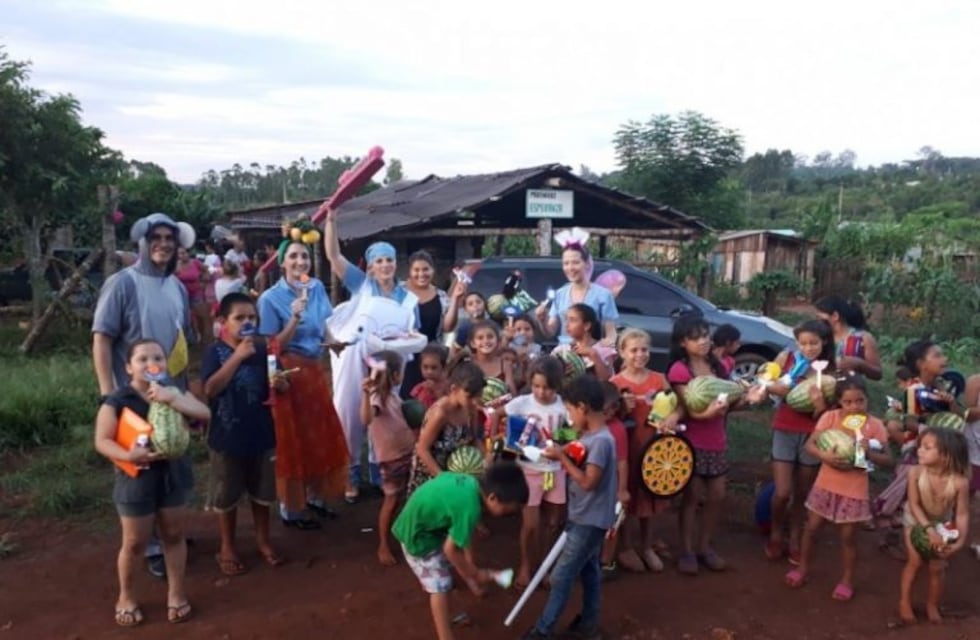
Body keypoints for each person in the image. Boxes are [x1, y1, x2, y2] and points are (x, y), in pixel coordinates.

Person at [92, 212, 196, 579]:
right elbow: (102, 339)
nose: (164, 244)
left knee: (172, 461)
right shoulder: (122, 283)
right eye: (157, 237)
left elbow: (182, 347)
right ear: (142, 241)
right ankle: (150, 545)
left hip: (170, 396)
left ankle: (170, 533)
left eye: (170, 238)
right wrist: (109, 396)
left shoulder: (178, 288)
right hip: (132, 400)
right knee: (140, 466)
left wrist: (186, 395)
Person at [93, 339, 210, 626]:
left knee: (173, 534)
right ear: (128, 367)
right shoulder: (118, 400)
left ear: (165, 364)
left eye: (156, 357)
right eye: (141, 359)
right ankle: (126, 596)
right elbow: (102, 441)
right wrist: (128, 455)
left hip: (173, 474)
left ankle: (176, 594)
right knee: (134, 542)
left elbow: (204, 414)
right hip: (136, 477)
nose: (149, 363)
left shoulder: (175, 392)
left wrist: (172, 399)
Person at [323, 207, 424, 503]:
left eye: (389, 260)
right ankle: (349, 475)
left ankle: (380, 472)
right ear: (370, 266)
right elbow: (333, 256)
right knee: (349, 411)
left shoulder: (408, 297)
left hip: (390, 359)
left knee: (384, 412)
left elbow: (412, 332)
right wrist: (331, 220)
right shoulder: (362, 285)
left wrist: (406, 342)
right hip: (355, 357)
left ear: (396, 263)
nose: (385, 265)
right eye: (379, 261)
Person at [258, 235, 349, 529]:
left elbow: (322, 324)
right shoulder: (270, 298)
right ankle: (291, 509)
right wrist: (294, 318)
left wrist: (333, 342)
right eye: (294, 256)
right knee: (292, 440)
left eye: (305, 256)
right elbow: (271, 346)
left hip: (313, 372)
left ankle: (315, 497)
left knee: (318, 435)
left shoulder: (317, 287)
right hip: (287, 376)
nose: (300, 262)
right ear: (282, 262)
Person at [522, 374, 619, 640]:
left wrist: (562, 458)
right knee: (589, 572)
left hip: (589, 520)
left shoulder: (600, 442)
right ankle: (588, 625)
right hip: (587, 516)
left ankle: (544, 629)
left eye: (569, 409)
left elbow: (588, 482)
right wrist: (560, 450)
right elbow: (578, 449)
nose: (569, 415)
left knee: (561, 576)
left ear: (583, 407)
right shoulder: (592, 435)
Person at [668, 315, 763, 575]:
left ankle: (704, 547)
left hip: (717, 441)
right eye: (695, 337)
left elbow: (730, 405)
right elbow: (687, 409)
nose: (703, 341)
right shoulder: (679, 370)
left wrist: (749, 399)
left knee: (718, 496)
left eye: (705, 336)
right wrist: (706, 415)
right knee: (691, 497)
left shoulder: (719, 367)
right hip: (692, 442)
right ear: (682, 343)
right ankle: (687, 550)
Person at [392, 462, 529, 640]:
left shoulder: (471, 483)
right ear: (493, 498)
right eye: (509, 511)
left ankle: (449, 616)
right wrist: (475, 574)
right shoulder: (470, 509)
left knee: (446, 572)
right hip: (418, 537)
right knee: (439, 585)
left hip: (424, 525)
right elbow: (451, 550)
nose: (510, 515)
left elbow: (460, 538)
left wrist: (471, 575)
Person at [784, 376, 892, 600]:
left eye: (860, 401)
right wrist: (825, 456)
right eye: (848, 402)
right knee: (811, 529)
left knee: (848, 538)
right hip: (825, 484)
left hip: (854, 488)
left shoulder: (875, 425)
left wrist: (869, 452)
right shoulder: (829, 417)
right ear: (840, 402)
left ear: (867, 399)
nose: (855, 407)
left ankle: (847, 580)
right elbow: (810, 444)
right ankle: (802, 568)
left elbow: (888, 460)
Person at [202, 293, 284, 576]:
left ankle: (263, 540)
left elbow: (278, 383)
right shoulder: (215, 352)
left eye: (252, 318)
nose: (247, 323)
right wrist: (237, 357)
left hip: (261, 433)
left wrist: (281, 384)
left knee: (262, 492)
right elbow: (210, 389)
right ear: (223, 322)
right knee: (227, 494)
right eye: (240, 318)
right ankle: (227, 545)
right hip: (226, 437)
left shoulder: (264, 349)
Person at [609, 328, 681, 573]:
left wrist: (673, 416)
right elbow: (607, 418)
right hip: (627, 450)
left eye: (644, 350)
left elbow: (676, 406)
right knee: (628, 496)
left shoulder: (659, 379)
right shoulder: (615, 384)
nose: (640, 355)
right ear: (622, 353)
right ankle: (627, 546)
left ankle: (647, 545)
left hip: (655, 449)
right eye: (633, 350)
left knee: (652, 496)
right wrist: (621, 408)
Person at [765, 320, 836, 565]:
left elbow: (829, 415)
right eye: (803, 343)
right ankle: (776, 532)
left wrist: (819, 406)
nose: (808, 348)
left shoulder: (831, 371)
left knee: (801, 492)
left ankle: (794, 538)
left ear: (824, 341)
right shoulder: (786, 358)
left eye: (814, 343)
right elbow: (767, 384)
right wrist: (781, 389)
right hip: (784, 428)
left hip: (814, 435)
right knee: (782, 492)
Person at [502, 355, 569, 590]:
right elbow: (497, 414)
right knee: (530, 524)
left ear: (557, 386)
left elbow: (575, 432)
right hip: (530, 471)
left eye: (548, 387)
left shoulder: (563, 407)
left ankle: (545, 566)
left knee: (552, 522)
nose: (541, 392)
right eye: (537, 386)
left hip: (556, 471)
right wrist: (501, 440)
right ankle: (526, 566)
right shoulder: (522, 403)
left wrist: (565, 447)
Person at [898, 428, 971, 625]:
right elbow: (913, 505)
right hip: (915, 520)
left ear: (946, 457)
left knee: (937, 567)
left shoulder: (959, 482)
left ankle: (932, 604)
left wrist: (960, 541)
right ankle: (904, 601)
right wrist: (929, 530)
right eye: (920, 446)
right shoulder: (915, 472)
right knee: (915, 561)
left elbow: (962, 513)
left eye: (927, 448)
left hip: (941, 523)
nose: (919, 450)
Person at [360, 350, 418, 566]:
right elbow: (366, 419)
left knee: (405, 497)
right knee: (392, 500)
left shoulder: (392, 395)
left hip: (406, 453)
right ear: (395, 374)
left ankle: (403, 535)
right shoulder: (377, 397)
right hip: (392, 458)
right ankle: (383, 544)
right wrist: (365, 395)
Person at [407, 362, 485, 495]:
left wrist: (483, 460)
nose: (474, 401)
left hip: (457, 471)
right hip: (432, 472)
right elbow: (422, 449)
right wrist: (442, 478)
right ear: (454, 389)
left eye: (478, 396)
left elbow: (474, 438)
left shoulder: (471, 408)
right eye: (470, 396)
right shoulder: (440, 413)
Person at [535, 227, 619, 345]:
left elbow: (611, 333)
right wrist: (542, 320)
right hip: (564, 354)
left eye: (575, 262)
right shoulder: (560, 294)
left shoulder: (603, 295)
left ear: (586, 264)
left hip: (590, 353)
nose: (570, 268)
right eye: (566, 263)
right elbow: (550, 332)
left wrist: (605, 346)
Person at [400, 250, 463, 399]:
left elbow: (448, 327)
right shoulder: (399, 292)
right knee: (404, 400)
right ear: (409, 271)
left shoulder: (440, 296)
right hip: (403, 356)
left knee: (429, 400)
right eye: (416, 270)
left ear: (432, 271)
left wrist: (454, 299)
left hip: (431, 360)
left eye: (425, 269)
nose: (421, 274)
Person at [598, 382, 630, 578]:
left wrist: (622, 490)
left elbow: (622, 461)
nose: (606, 413)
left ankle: (606, 561)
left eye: (610, 409)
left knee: (612, 526)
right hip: (593, 486)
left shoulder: (617, 429)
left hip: (611, 487)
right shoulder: (586, 425)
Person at [815, 295, 883, 381]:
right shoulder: (821, 338)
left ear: (835, 316)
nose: (817, 321)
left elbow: (878, 374)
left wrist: (859, 364)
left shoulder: (863, 338)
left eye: (819, 317)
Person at [551, 303, 616, 381]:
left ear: (587, 326)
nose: (566, 324)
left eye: (572, 320)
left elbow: (607, 379)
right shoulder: (561, 350)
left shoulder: (604, 349)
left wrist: (593, 355)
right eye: (566, 319)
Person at [174, 247, 210, 348]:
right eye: (179, 254)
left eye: (183, 253)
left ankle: (203, 338)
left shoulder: (195, 263)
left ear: (188, 253)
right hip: (181, 295)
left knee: (200, 316)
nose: (182, 256)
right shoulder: (175, 265)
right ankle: (191, 338)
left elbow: (206, 271)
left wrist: (204, 282)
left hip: (196, 292)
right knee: (186, 318)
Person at [409, 343, 450, 410]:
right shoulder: (420, 388)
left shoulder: (447, 387)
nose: (429, 372)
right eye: (425, 367)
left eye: (434, 368)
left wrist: (436, 393)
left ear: (444, 367)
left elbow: (448, 408)